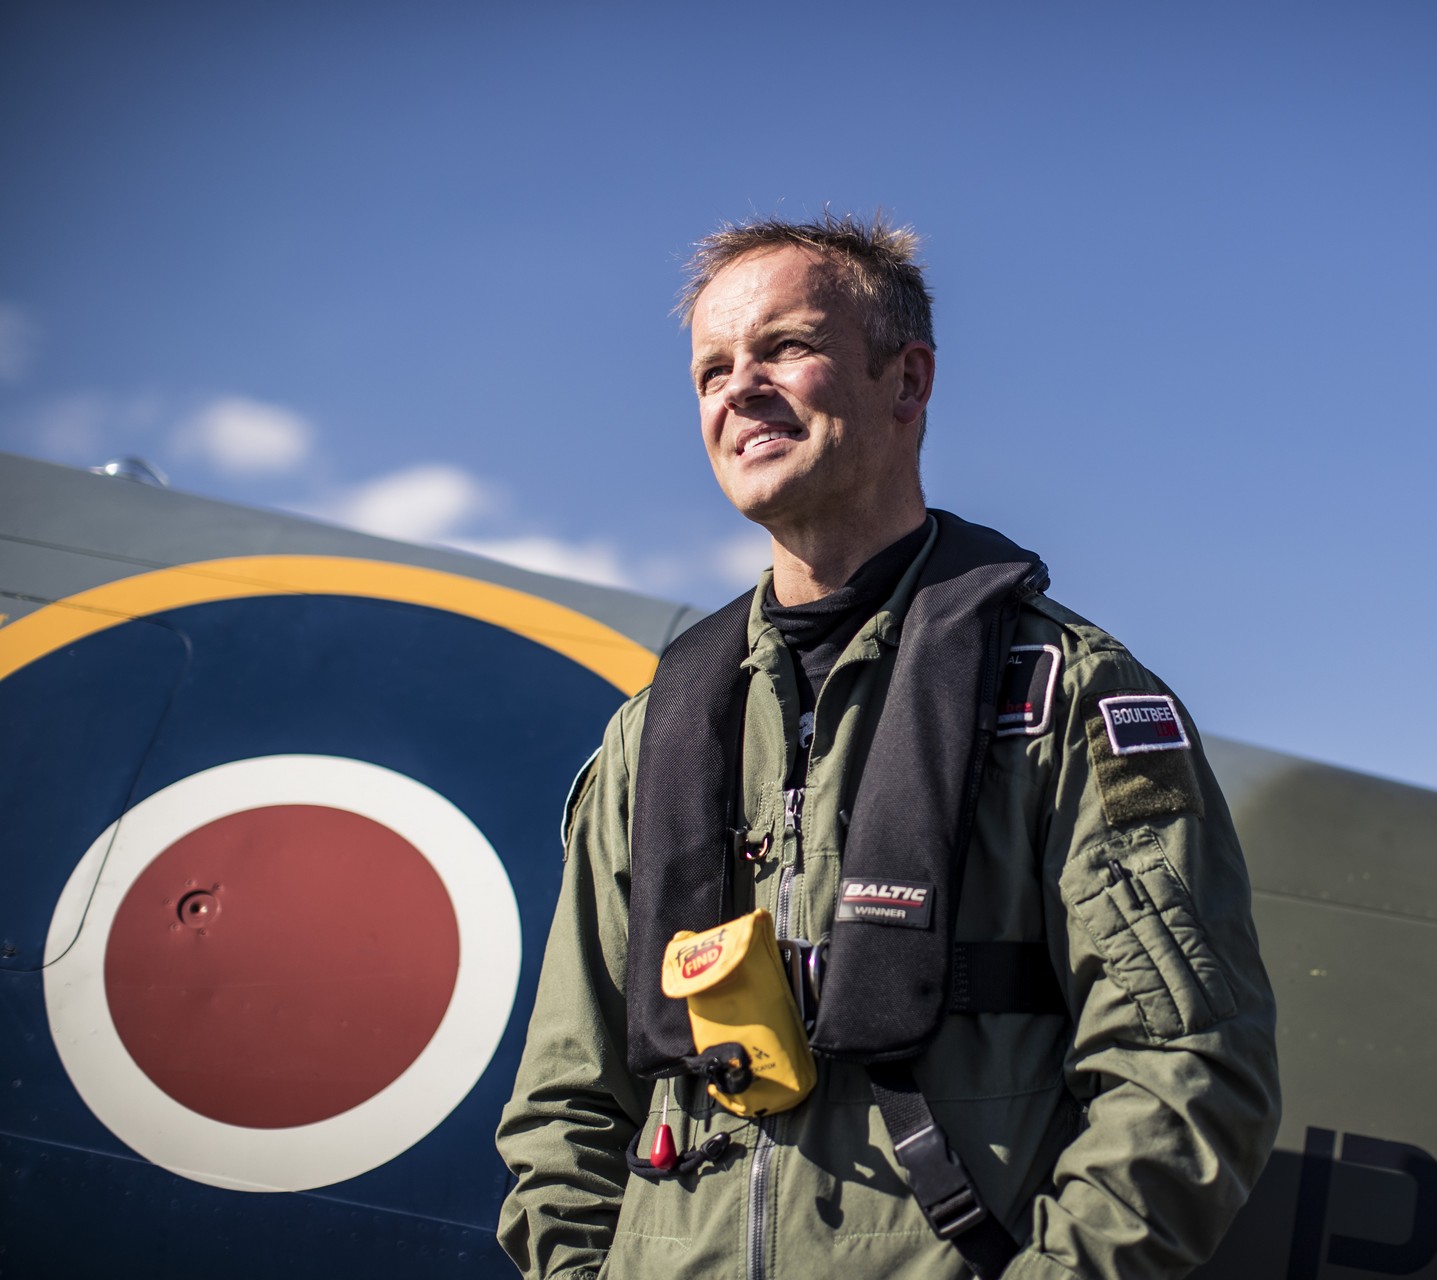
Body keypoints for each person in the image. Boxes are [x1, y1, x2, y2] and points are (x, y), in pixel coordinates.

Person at [495, 213, 1280, 1280]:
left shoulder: (1067, 696)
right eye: (711, 370)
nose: (738, 390)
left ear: (907, 381)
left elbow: (1183, 1068)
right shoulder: (652, 735)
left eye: (783, 348)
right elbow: (564, 1105)